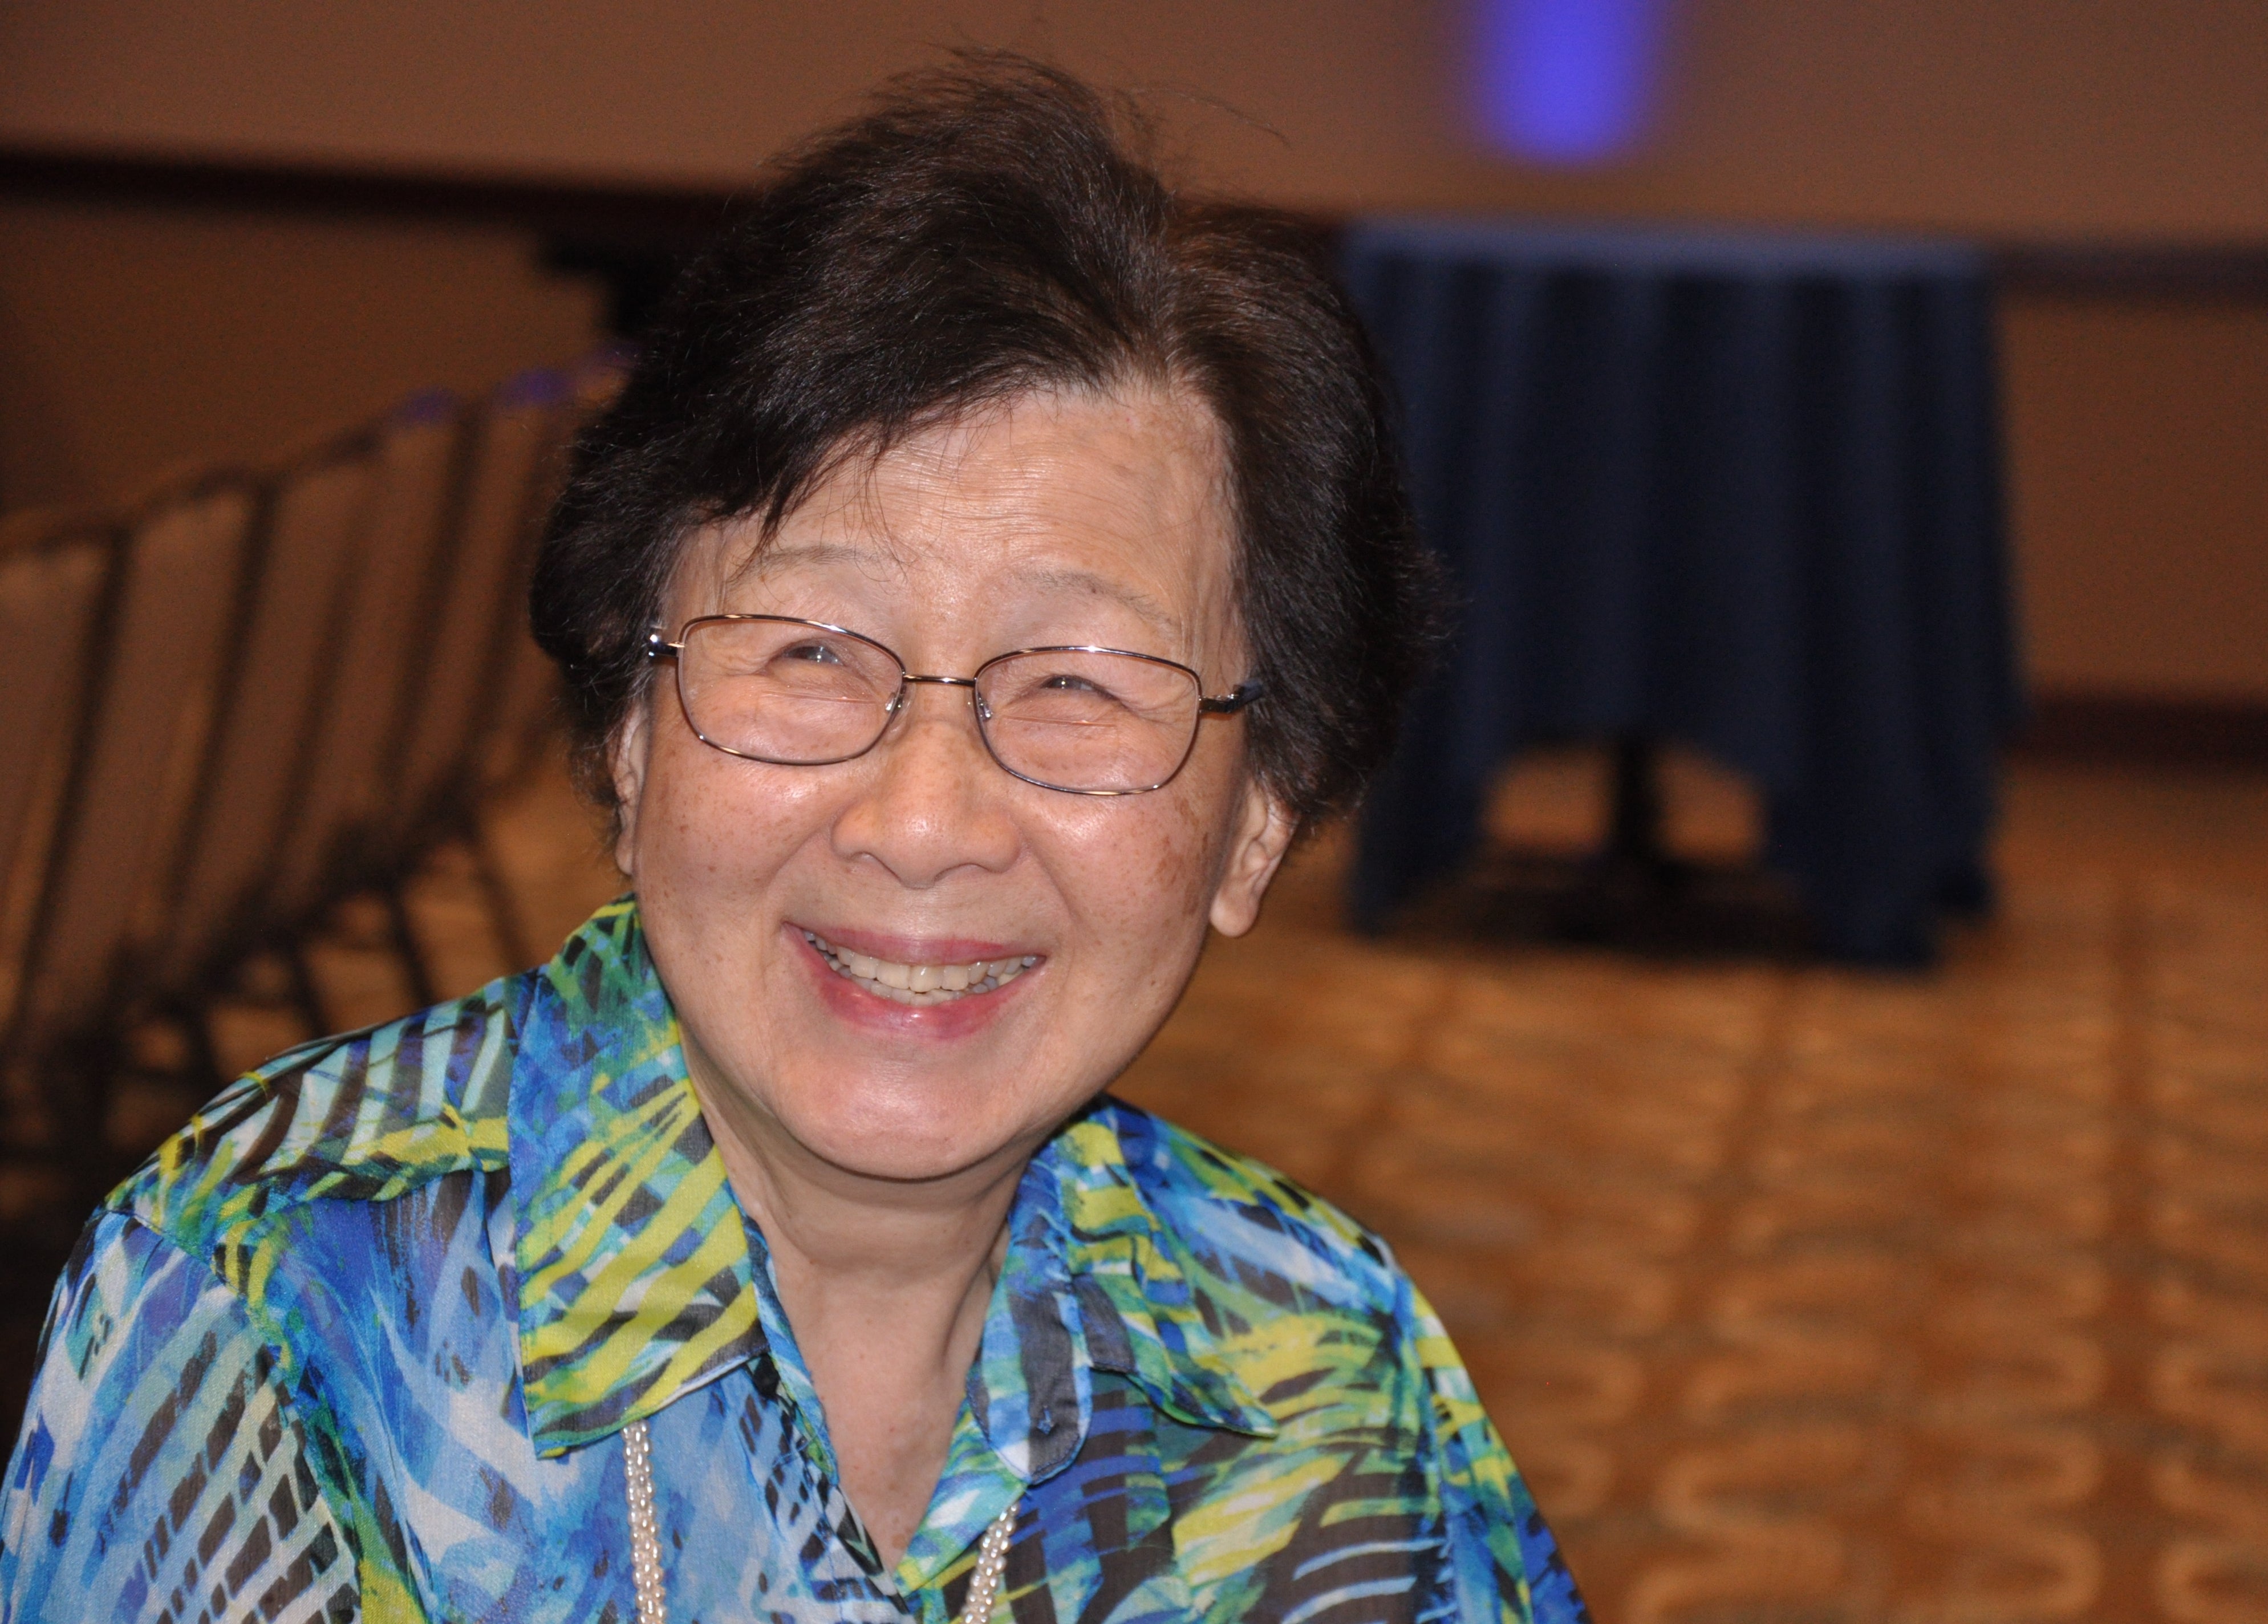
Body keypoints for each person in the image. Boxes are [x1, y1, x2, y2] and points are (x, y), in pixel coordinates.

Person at [0, 56, 1588, 1624]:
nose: (923, 825)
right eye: (811, 652)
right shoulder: (277, 1302)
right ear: (628, 734)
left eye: (1078, 685)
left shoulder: (1320, 1371)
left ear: (1259, 818)